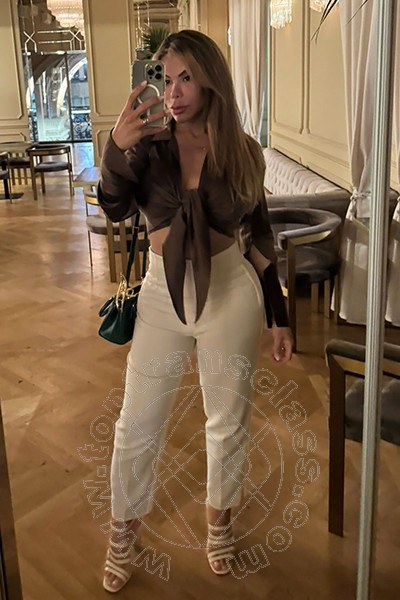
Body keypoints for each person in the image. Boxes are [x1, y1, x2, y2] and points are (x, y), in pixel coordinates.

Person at [98, 29, 293, 593]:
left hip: (230, 293)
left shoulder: (243, 151)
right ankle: (123, 532)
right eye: (167, 79)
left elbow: (260, 236)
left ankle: (219, 525)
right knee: (136, 423)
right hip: (162, 296)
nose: (175, 92)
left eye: (186, 78)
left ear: (211, 81)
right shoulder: (148, 147)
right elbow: (114, 208)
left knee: (227, 423)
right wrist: (116, 148)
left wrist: (279, 315)